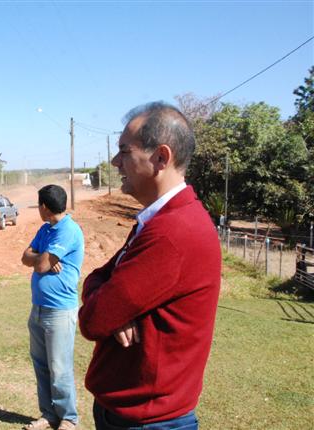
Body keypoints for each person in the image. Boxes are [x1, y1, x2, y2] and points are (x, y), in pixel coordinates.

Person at [79, 102, 221, 430]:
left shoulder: (173, 232)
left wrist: (109, 310)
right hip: (138, 414)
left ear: (160, 157)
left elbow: (93, 320)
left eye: (124, 151)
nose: (115, 162)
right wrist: (111, 306)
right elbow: (97, 279)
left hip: (148, 420)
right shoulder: (161, 220)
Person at [21, 184, 85, 430]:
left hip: (59, 311)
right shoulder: (46, 228)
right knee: (41, 365)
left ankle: (68, 418)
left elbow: (38, 264)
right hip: (38, 308)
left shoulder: (68, 230)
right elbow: (26, 257)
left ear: (44, 207)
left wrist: (41, 259)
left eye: (38, 205)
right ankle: (48, 415)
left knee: (59, 366)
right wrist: (42, 258)